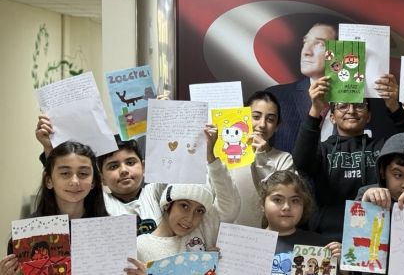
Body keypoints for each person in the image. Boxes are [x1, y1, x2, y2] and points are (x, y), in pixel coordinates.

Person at [292, 73, 404, 242]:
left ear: (369, 116)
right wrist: (315, 109)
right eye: (343, 106)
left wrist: (394, 107)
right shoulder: (322, 150)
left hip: (373, 236)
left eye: (359, 105)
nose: (351, 111)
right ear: (332, 117)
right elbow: (300, 163)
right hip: (326, 237)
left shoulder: (382, 148)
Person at [0, 141, 141, 275]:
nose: (74, 181)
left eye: (83, 174)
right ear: (49, 181)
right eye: (65, 173)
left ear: (93, 182)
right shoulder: (27, 235)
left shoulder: (113, 232)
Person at [267, 22, 398, 153]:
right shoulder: (276, 97)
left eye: (320, 44)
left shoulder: (374, 105)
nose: (306, 52)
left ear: (341, 51)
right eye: (305, 42)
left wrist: (394, 106)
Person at [34, 115, 165, 235]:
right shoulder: (100, 203)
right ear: (100, 178)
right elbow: (60, 174)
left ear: (143, 166)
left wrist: (166, 118)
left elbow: (173, 168)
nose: (124, 170)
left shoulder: (156, 192)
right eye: (113, 166)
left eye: (130, 162)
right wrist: (49, 148)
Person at [130, 127, 238, 267]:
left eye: (199, 210)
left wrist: (211, 158)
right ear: (168, 204)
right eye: (184, 206)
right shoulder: (140, 247)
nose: (190, 218)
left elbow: (230, 205)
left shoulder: (203, 227)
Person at [230, 90, 295, 227]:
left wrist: (261, 155)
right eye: (256, 117)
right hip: (229, 233)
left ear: (277, 126)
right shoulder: (229, 155)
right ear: (243, 117)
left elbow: (280, 199)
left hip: (268, 234)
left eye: (270, 119)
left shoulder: (284, 159)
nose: (262, 124)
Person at [261, 171, 344, 275]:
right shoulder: (248, 244)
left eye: (295, 201)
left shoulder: (323, 247)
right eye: (277, 200)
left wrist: (343, 270)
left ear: (304, 206)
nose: (286, 207)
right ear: (262, 205)